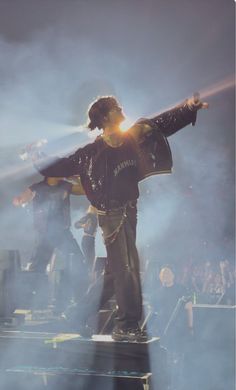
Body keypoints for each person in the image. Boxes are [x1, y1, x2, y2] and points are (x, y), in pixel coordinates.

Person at [33, 94, 208, 341]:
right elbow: (58, 166)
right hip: (110, 215)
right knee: (127, 268)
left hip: (130, 210)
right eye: (116, 107)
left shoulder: (132, 137)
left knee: (116, 272)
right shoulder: (90, 153)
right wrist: (37, 157)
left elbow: (160, 124)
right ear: (106, 117)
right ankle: (126, 325)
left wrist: (188, 109)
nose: (121, 109)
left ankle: (77, 314)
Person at [13, 176, 87, 311]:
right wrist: (20, 200)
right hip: (44, 234)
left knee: (75, 260)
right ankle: (33, 301)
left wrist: (76, 178)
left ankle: (64, 301)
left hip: (62, 232)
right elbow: (21, 199)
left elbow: (86, 189)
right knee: (37, 267)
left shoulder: (66, 185)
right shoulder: (37, 187)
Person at [74, 205, 98, 279]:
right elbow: (76, 224)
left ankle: (88, 277)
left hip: (91, 240)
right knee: (88, 260)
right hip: (87, 239)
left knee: (91, 261)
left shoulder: (95, 217)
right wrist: (83, 225)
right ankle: (83, 277)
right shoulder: (89, 216)